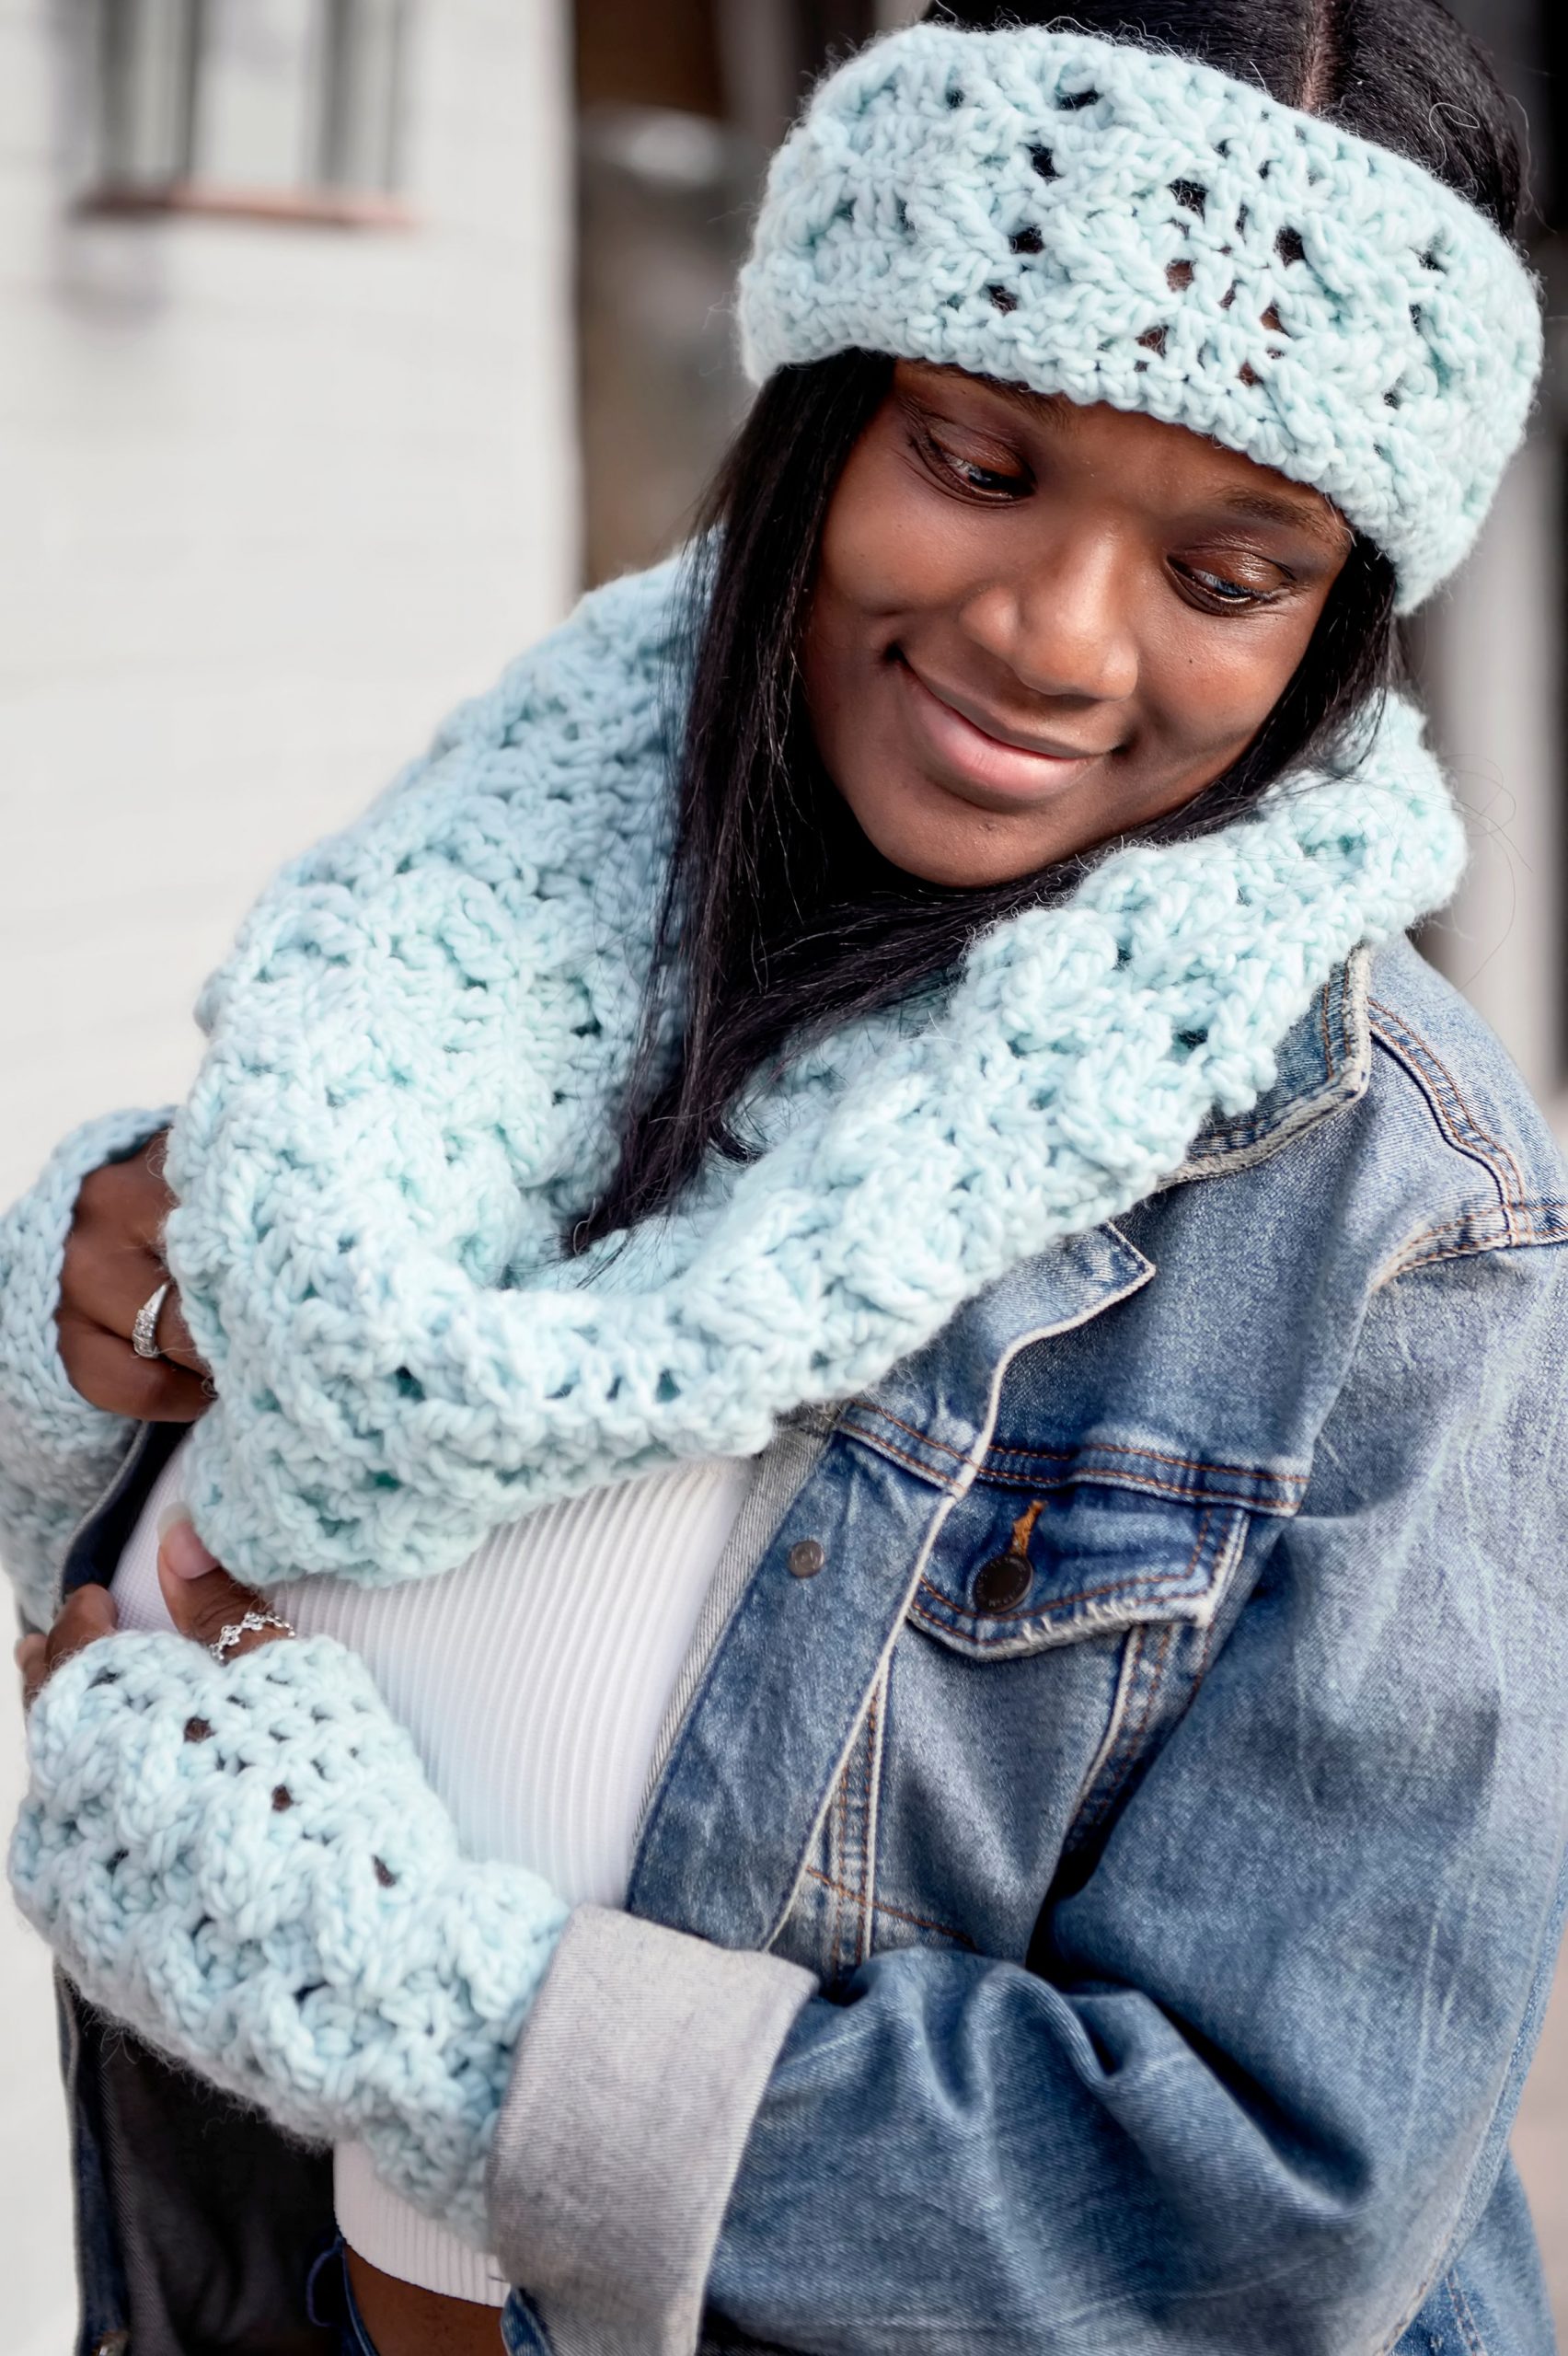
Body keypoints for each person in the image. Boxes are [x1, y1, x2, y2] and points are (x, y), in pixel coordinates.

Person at [5, 4, 1566, 2350]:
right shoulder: (509, 902)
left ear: (1337, 623)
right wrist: (81, 1326)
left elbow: (1269, 2185)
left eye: (1227, 574)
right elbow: (198, 1549)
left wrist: (435, 2014)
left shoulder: (1389, 1215)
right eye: (980, 457)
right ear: (829, 407)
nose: (1054, 638)